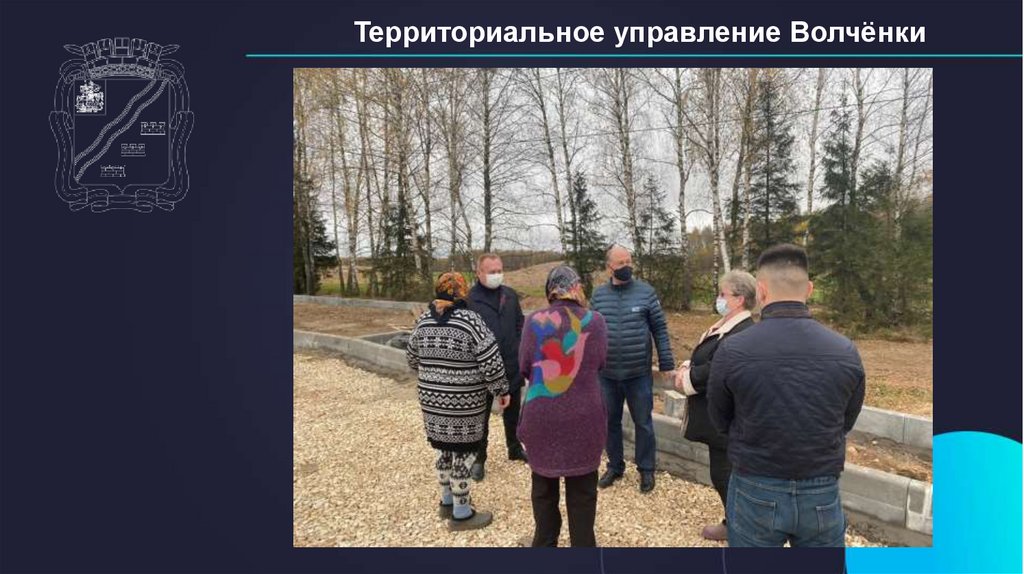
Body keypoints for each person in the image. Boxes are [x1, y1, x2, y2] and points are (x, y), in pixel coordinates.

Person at [707, 244, 866, 547]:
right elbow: (846, 418)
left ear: (761, 291)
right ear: (809, 289)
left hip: (755, 483)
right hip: (820, 487)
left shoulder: (733, 349)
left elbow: (720, 417)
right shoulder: (845, 350)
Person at [406, 272, 511, 531]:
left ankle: (446, 501)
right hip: (464, 402)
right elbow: (491, 362)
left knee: (443, 449)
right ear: (462, 292)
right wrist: (501, 390)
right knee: (464, 453)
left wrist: (434, 375)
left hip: (431, 401)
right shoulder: (470, 321)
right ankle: (462, 514)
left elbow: (411, 359)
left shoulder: (423, 321)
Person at [517, 265, 608, 547]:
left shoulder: (533, 321)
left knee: (544, 489)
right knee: (583, 493)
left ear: (550, 290)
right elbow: (601, 362)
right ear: (577, 287)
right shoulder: (595, 321)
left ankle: (545, 545)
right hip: (584, 417)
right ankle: (583, 547)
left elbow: (524, 366)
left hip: (542, 416)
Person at [674, 270, 757, 542]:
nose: (719, 298)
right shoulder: (727, 324)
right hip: (719, 416)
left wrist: (687, 378)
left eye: (723, 294)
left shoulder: (741, 331)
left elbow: (717, 368)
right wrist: (688, 365)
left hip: (727, 417)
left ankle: (738, 528)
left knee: (725, 474)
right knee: (723, 472)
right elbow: (707, 356)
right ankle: (736, 522)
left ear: (739, 299)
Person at [590, 244, 675, 493]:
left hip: (638, 373)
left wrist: (667, 362)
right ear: (610, 267)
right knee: (610, 422)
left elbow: (659, 328)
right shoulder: (598, 296)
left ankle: (646, 469)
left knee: (643, 423)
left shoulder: (646, 293)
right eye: (621, 263)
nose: (626, 266)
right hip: (607, 375)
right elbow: (590, 332)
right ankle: (615, 466)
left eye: (629, 261)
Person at [467, 253, 528, 481]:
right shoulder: (470, 300)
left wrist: (518, 344)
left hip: (510, 364)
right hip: (481, 369)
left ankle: (514, 447)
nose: (497, 275)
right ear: (479, 273)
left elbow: (520, 323)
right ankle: (479, 457)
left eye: (499, 270)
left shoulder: (509, 295)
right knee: (480, 416)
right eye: (491, 271)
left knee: (513, 412)